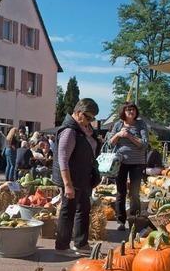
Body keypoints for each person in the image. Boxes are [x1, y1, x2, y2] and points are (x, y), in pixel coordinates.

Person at [52, 98, 101, 257]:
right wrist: (67, 184)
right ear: (79, 113)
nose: (91, 121)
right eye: (88, 117)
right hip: (72, 178)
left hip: (83, 177)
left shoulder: (83, 129)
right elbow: (63, 160)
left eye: (93, 118)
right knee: (68, 211)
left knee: (83, 210)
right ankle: (62, 246)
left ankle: (81, 243)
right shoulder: (69, 131)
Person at [107, 102, 148, 231]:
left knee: (134, 192)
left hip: (137, 163)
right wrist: (119, 134)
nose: (131, 112)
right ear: (123, 112)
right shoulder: (118, 125)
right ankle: (120, 220)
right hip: (120, 163)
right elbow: (109, 144)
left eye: (133, 109)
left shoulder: (140, 124)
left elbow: (144, 144)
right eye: (128, 110)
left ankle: (134, 220)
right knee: (120, 192)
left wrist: (129, 136)